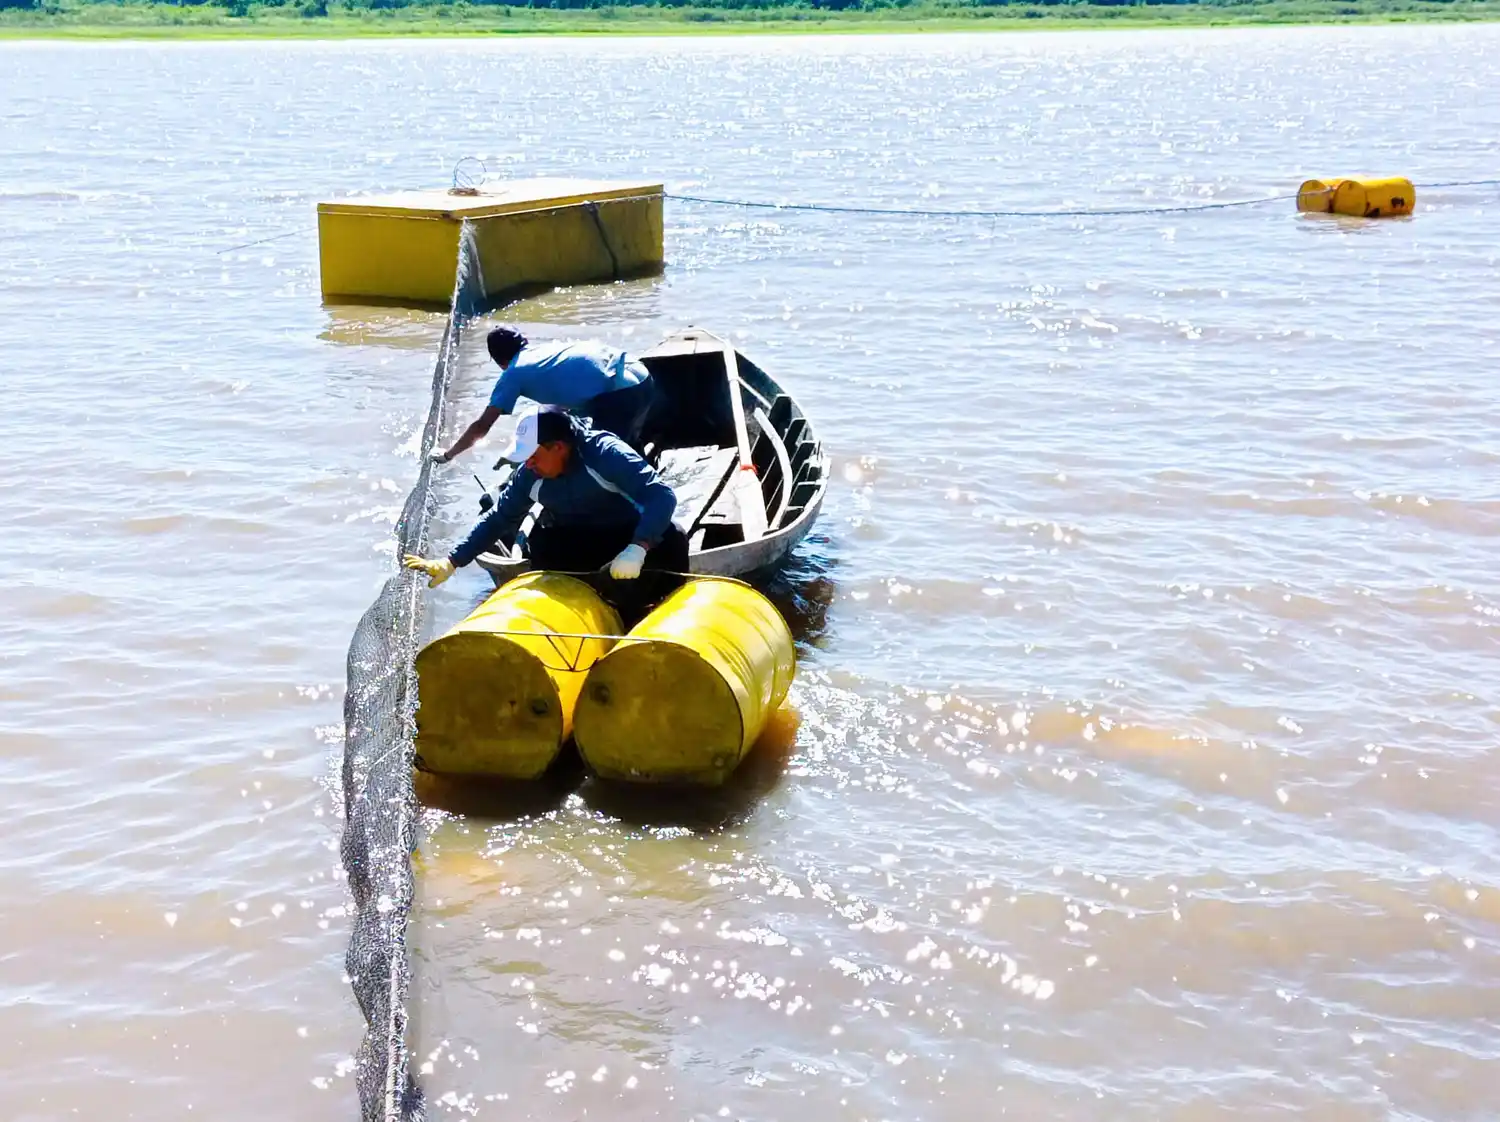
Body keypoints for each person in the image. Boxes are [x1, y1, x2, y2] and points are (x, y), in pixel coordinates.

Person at [404, 405, 687, 589]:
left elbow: (661, 497)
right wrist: (452, 561)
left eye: (534, 457)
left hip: (626, 537)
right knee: (543, 544)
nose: (528, 465)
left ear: (559, 448)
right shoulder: (530, 474)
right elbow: (500, 517)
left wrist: (639, 546)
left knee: (673, 536)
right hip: (575, 540)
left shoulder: (605, 454)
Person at [432, 327, 656, 463]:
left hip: (621, 395)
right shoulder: (545, 354)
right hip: (642, 377)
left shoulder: (513, 373)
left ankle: (633, 515)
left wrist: (449, 454)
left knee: (601, 459)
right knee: (626, 446)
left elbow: (483, 425)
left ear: (499, 360)